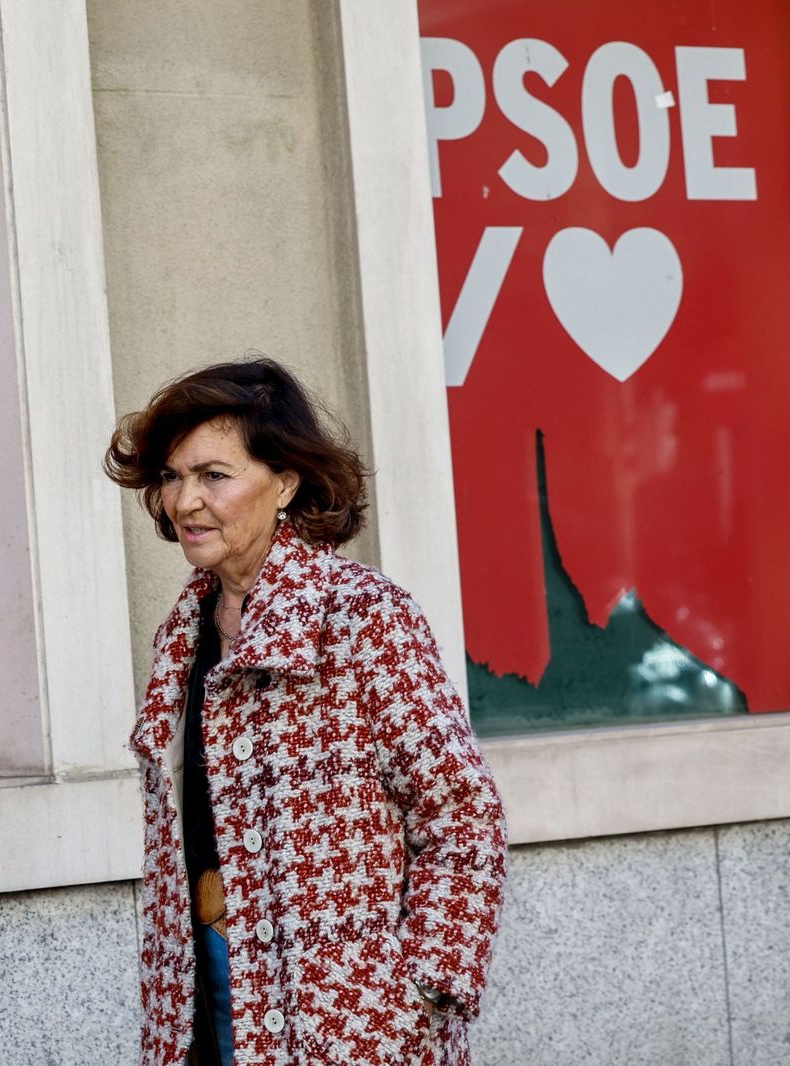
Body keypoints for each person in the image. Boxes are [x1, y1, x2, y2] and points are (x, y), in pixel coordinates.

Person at [105, 359, 507, 1066]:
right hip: (207, 996)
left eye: (213, 475)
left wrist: (415, 993)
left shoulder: (361, 615)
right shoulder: (184, 633)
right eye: (172, 476)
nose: (185, 501)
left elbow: (461, 814)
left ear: (285, 483)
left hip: (349, 1019)